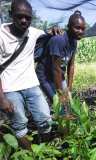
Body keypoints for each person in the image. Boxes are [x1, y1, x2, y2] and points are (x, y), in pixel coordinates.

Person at [0, 0, 52, 149]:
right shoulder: (1, 35)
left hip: (31, 85)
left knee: (45, 119)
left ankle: (47, 151)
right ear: (11, 15)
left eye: (28, 17)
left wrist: (55, 30)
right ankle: (32, 155)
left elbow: (49, 35)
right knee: (20, 125)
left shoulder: (34, 33)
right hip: (10, 89)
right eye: (19, 16)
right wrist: (2, 98)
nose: (24, 20)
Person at [35, 11, 86, 111]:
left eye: (83, 28)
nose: (80, 31)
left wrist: (69, 89)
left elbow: (71, 65)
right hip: (45, 76)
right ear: (68, 27)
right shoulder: (59, 40)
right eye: (77, 28)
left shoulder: (74, 41)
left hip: (59, 74)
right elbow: (55, 69)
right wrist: (61, 94)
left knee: (67, 102)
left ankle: (65, 121)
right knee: (59, 103)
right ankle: (61, 123)